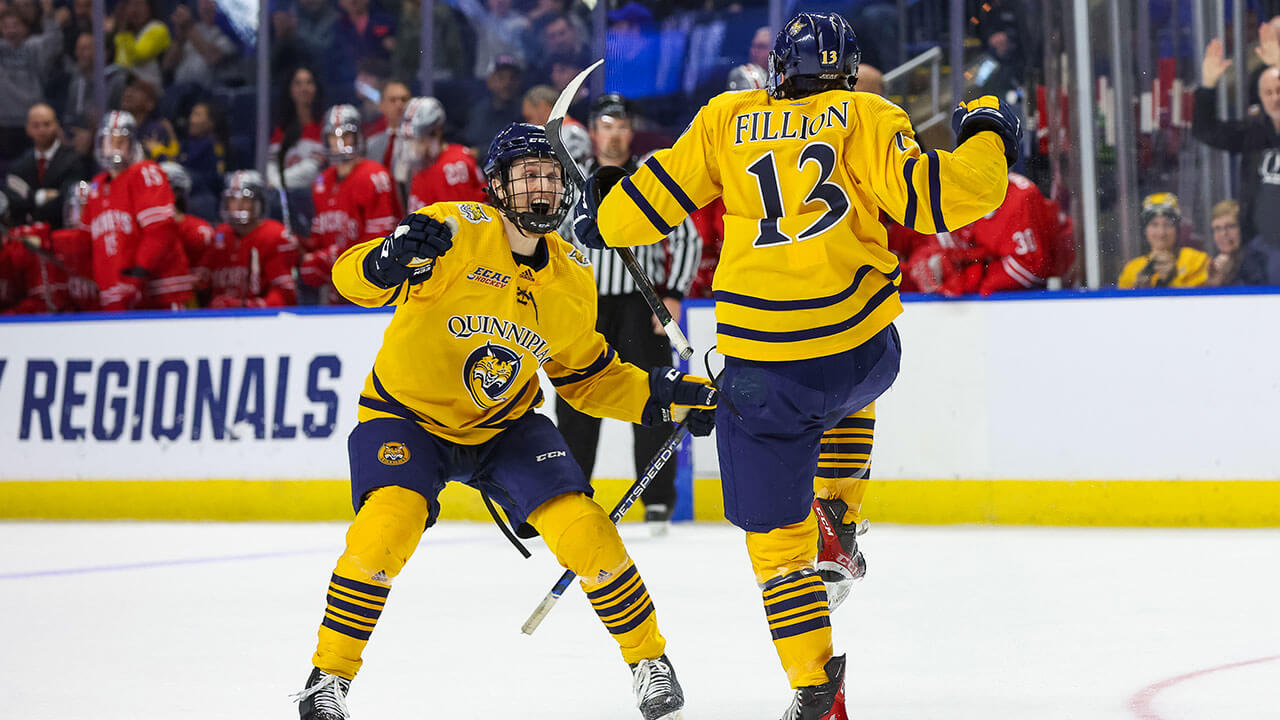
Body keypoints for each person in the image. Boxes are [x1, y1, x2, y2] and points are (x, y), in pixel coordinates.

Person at [572, 12, 1017, 718]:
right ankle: (839, 512)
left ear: (780, 71)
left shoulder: (727, 118)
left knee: (779, 551)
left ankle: (816, 685)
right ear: (845, 70)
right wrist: (989, 128)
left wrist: (605, 201)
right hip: (866, 353)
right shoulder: (866, 112)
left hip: (766, 372)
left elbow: (630, 219)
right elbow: (952, 196)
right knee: (841, 386)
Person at [292, 122, 717, 720]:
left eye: (549, 175)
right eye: (526, 176)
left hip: (506, 426)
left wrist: (669, 396)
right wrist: (388, 259)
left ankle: (649, 661)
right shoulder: (453, 231)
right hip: (407, 416)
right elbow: (348, 279)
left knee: (585, 528)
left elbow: (587, 377)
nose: (540, 188)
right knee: (386, 529)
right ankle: (327, 677)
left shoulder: (572, 278)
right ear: (496, 186)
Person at [555, 93, 701, 535]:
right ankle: (570, 497)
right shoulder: (576, 184)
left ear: (630, 131)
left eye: (622, 125)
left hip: (642, 307)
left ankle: (657, 500)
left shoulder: (646, 180)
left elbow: (689, 236)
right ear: (594, 132)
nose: (614, 133)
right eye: (606, 125)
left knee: (653, 397)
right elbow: (554, 243)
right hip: (586, 309)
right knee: (577, 403)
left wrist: (673, 294)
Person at [81, 110, 193, 310]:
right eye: (109, 140)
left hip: (157, 293)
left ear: (133, 144)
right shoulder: (96, 186)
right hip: (116, 295)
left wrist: (140, 270)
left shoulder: (145, 172)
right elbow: (85, 239)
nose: (115, 147)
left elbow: (161, 230)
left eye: (121, 141)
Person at [300, 103, 400, 303]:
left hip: (372, 288)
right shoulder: (322, 181)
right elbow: (319, 236)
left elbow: (381, 240)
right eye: (333, 136)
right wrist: (300, 246)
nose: (339, 142)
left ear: (358, 137)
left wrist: (334, 256)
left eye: (345, 135)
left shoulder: (375, 176)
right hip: (336, 290)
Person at [1195, 28, 1280, 244]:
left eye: (1279, 90)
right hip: (1260, 247)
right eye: (1268, 93)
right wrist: (1207, 86)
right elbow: (1206, 131)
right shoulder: (1255, 131)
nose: (1275, 99)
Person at [959, 171, 1074, 294]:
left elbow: (1032, 268)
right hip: (1047, 274)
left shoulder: (1020, 198)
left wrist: (980, 281)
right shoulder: (964, 197)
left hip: (1071, 269)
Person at [199, 169, 299, 307]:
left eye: (245, 199)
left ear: (258, 203)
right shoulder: (219, 235)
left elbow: (285, 297)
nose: (238, 206)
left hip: (260, 323)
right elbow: (202, 285)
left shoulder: (275, 235)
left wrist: (243, 306)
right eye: (233, 199)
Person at [3, 104, 92, 227]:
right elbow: (14, 201)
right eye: (36, 125)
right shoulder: (19, 166)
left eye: (46, 124)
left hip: (60, 231)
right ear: (28, 128)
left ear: (56, 125)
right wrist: (41, 196)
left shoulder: (74, 160)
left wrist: (29, 202)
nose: (41, 130)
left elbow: (68, 196)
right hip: (26, 236)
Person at [396, 96, 487, 212]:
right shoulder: (423, 163)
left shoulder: (455, 165)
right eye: (410, 140)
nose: (412, 147)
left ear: (436, 133)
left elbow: (462, 224)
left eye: (418, 140)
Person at [0, 0, 63, 163]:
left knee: (32, 167)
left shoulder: (35, 47)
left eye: (15, 25)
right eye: (5, 26)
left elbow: (55, 41)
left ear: (24, 27)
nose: (10, 30)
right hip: (4, 122)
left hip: (32, 121)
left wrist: (49, 12)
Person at [1117, 193, 1209, 289]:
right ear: (1145, 230)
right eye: (1154, 224)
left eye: (1168, 224)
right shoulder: (1132, 269)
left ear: (1177, 229)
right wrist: (1140, 290)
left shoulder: (1196, 260)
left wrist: (1173, 279)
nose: (1161, 233)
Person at [269, 67, 327, 194]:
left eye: (309, 82)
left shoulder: (326, 126)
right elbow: (271, 164)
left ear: (317, 88)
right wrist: (274, 182)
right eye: (298, 83)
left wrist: (276, 182)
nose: (304, 88)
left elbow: (313, 170)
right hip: (282, 195)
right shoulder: (281, 128)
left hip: (316, 192)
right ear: (289, 89)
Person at [158, 161, 214, 287]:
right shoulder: (141, 228)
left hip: (186, 301)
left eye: (156, 189)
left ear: (176, 193)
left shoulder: (198, 230)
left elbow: (203, 282)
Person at [108, 0, 170, 90]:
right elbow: (122, 64)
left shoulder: (158, 28)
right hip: (129, 88)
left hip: (150, 90)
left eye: (139, 4)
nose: (134, 10)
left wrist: (124, 32)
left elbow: (138, 57)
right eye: (131, 5)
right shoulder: (128, 35)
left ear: (150, 7)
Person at [363, 80, 410, 171]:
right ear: (381, 105)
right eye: (393, 100)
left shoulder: (419, 145)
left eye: (404, 99)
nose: (399, 105)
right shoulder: (370, 145)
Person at [1205, 199, 1246, 287]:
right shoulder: (1209, 264)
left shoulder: (1257, 262)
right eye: (1217, 228)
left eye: (1231, 226)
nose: (1223, 234)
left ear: (1242, 229)